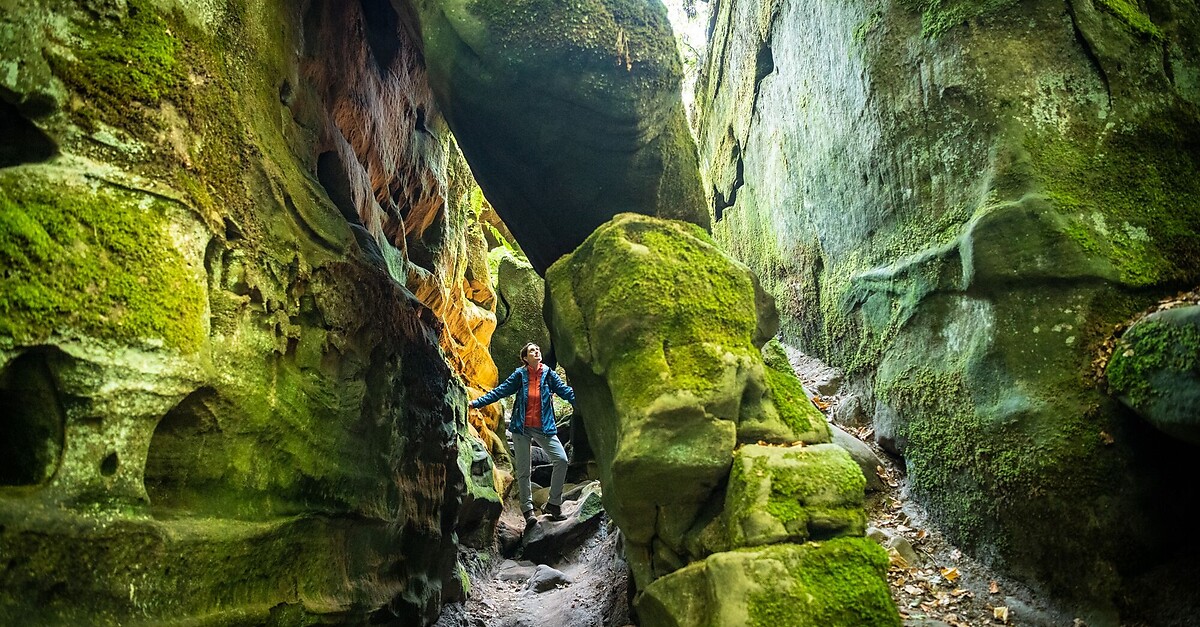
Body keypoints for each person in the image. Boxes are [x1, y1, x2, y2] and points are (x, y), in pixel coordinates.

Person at [469, 342, 576, 530]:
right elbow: (500, 391)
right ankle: (528, 511)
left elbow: (565, 392)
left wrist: (584, 400)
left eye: (538, 349)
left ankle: (554, 503)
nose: (537, 352)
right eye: (532, 350)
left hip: (544, 427)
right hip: (521, 428)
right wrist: (477, 403)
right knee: (524, 470)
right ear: (525, 358)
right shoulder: (520, 375)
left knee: (561, 460)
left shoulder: (549, 374)